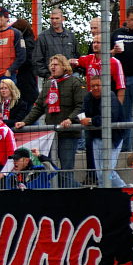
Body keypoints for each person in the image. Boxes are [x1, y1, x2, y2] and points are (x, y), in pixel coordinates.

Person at [16, 54, 84, 188]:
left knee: (66, 171)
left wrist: (70, 119)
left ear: (64, 66)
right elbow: (38, 107)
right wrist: (25, 122)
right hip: (51, 135)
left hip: (69, 134)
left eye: (56, 64)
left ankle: (76, 193)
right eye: (51, 65)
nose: (52, 67)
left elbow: (80, 106)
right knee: (50, 168)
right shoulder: (48, 84)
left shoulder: (74, 82)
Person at [81, 76, 126, 187]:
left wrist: (91, 120)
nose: (95, 88)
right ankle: (105, 195)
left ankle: (125, 189)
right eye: (93, 86)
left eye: (98, 85)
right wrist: (81, 119)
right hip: (96, 138)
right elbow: (82, 112)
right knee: (100, 174)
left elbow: (110, 117)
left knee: (107, 171)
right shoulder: (88, 97)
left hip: (113, 138)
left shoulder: (111, 97)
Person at [112, 6, 133, 150]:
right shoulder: (117, 34)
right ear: (127, 19)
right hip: (121, 80)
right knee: (123, 115)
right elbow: (103, 52)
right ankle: (124, 148)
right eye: (132, 19)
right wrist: (113, 51)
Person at [0, 7, 25, 100]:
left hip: (7, 75)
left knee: (8, 101)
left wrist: (10, 70)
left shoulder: (15, 33)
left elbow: (22, 55)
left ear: (7, 18)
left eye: (0, 16)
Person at [33, 8, 79, 79]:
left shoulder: (70, 36)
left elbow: (77, 56)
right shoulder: (43, 37)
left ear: (63, 19)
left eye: (57, 18)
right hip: (52, 77)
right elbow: (37, 60)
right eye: (52, 18)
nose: (54, 21)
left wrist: (76, 69)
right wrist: (47, 75)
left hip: (71, 76)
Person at [11, 18, 40, 106]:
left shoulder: (27, 43)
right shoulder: (29, 41)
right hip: (27, 78)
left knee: (26, 104)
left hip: (26, 78)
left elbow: (27, 60)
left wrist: (15, 64)